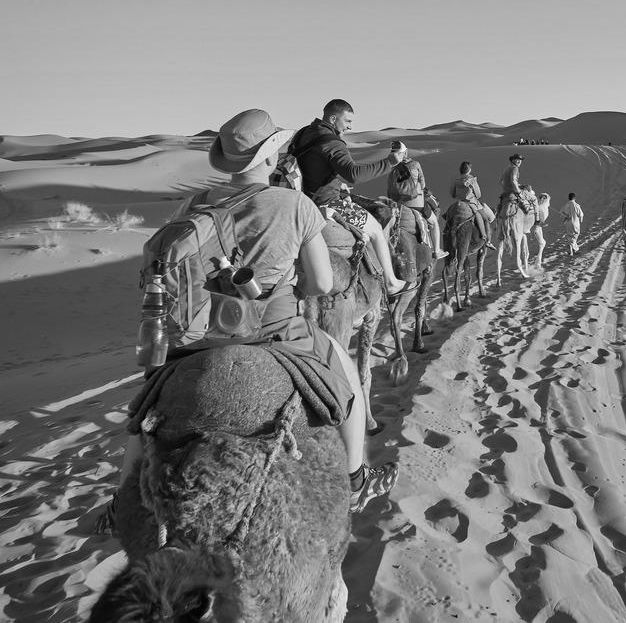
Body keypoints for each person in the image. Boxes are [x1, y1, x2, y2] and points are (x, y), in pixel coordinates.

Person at [108, 109, 397, 522]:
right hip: (272, 328)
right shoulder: (294, 204)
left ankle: (121, 501)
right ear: (269, 156)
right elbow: (320, 284)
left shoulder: (194, 203)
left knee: (147, 409)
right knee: (344, 377)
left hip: (197, 333)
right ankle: (355, 479)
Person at [291, 99, 413, 299]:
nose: (350, 126)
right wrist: (390, 162)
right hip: (328, 202)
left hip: (303, 202)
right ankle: (391, 283)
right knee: (375, 230)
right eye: (347, 121)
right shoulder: (332, 142)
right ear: (333, 118)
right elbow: (353, 174)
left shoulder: (304, 133)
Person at [387, 157, 447, 260]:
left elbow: (389, 190)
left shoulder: (393, 168)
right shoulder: (415, 164)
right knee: (434, 223)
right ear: (405, 153)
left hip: (398, 204)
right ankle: (437, 251)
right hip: (417, 203)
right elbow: (423, 184)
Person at [450, 161, 495, 249]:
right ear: (469, 170)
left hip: (460, 202)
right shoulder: (472, 180)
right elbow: (478, 194)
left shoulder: (456, 181)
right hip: (472, 203)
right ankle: (487, 239)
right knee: (485, 219)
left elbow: (452, 194)